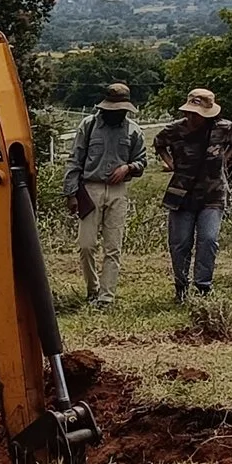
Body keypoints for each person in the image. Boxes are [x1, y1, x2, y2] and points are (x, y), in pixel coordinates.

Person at [152, 87, 232, 302]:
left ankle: (203, 286)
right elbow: (159, 143)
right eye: (190, 112)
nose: (192, 117)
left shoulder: (224, 128)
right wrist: (170, 163)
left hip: (213, 193)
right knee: (180, 242)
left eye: (197, 113)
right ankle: (181, 287)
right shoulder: (175, 130)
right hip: (181, 193)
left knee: (209, 239)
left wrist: (224, 159)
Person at [61, 81, 147, 307]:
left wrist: (128, 168)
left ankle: (106, 297)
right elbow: (75, 160)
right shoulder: (88, 126)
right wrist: (71, 194)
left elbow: (142, 161)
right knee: (86, 244)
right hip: (91, 188)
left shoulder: (133, 130)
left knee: (113, 247)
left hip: (118, 191)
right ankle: (93, 289)